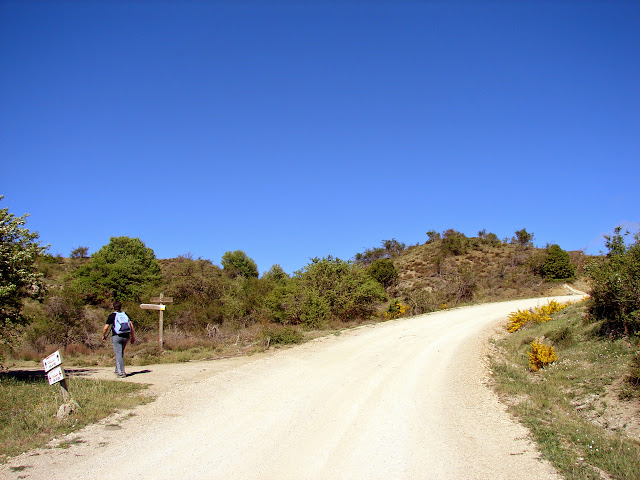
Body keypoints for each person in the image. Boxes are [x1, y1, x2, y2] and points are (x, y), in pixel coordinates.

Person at [102, 301, 135, 378]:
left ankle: (121, 372)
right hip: (126, 336)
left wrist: (103, 335)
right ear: (121, 307)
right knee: (120, 353)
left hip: (117, 336)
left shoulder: (112, 316)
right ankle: (117, 369)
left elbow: (106, 328)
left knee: (118, 353)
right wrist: (132, 337)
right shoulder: (125, 315)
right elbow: (131, 326)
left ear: (113, 307)